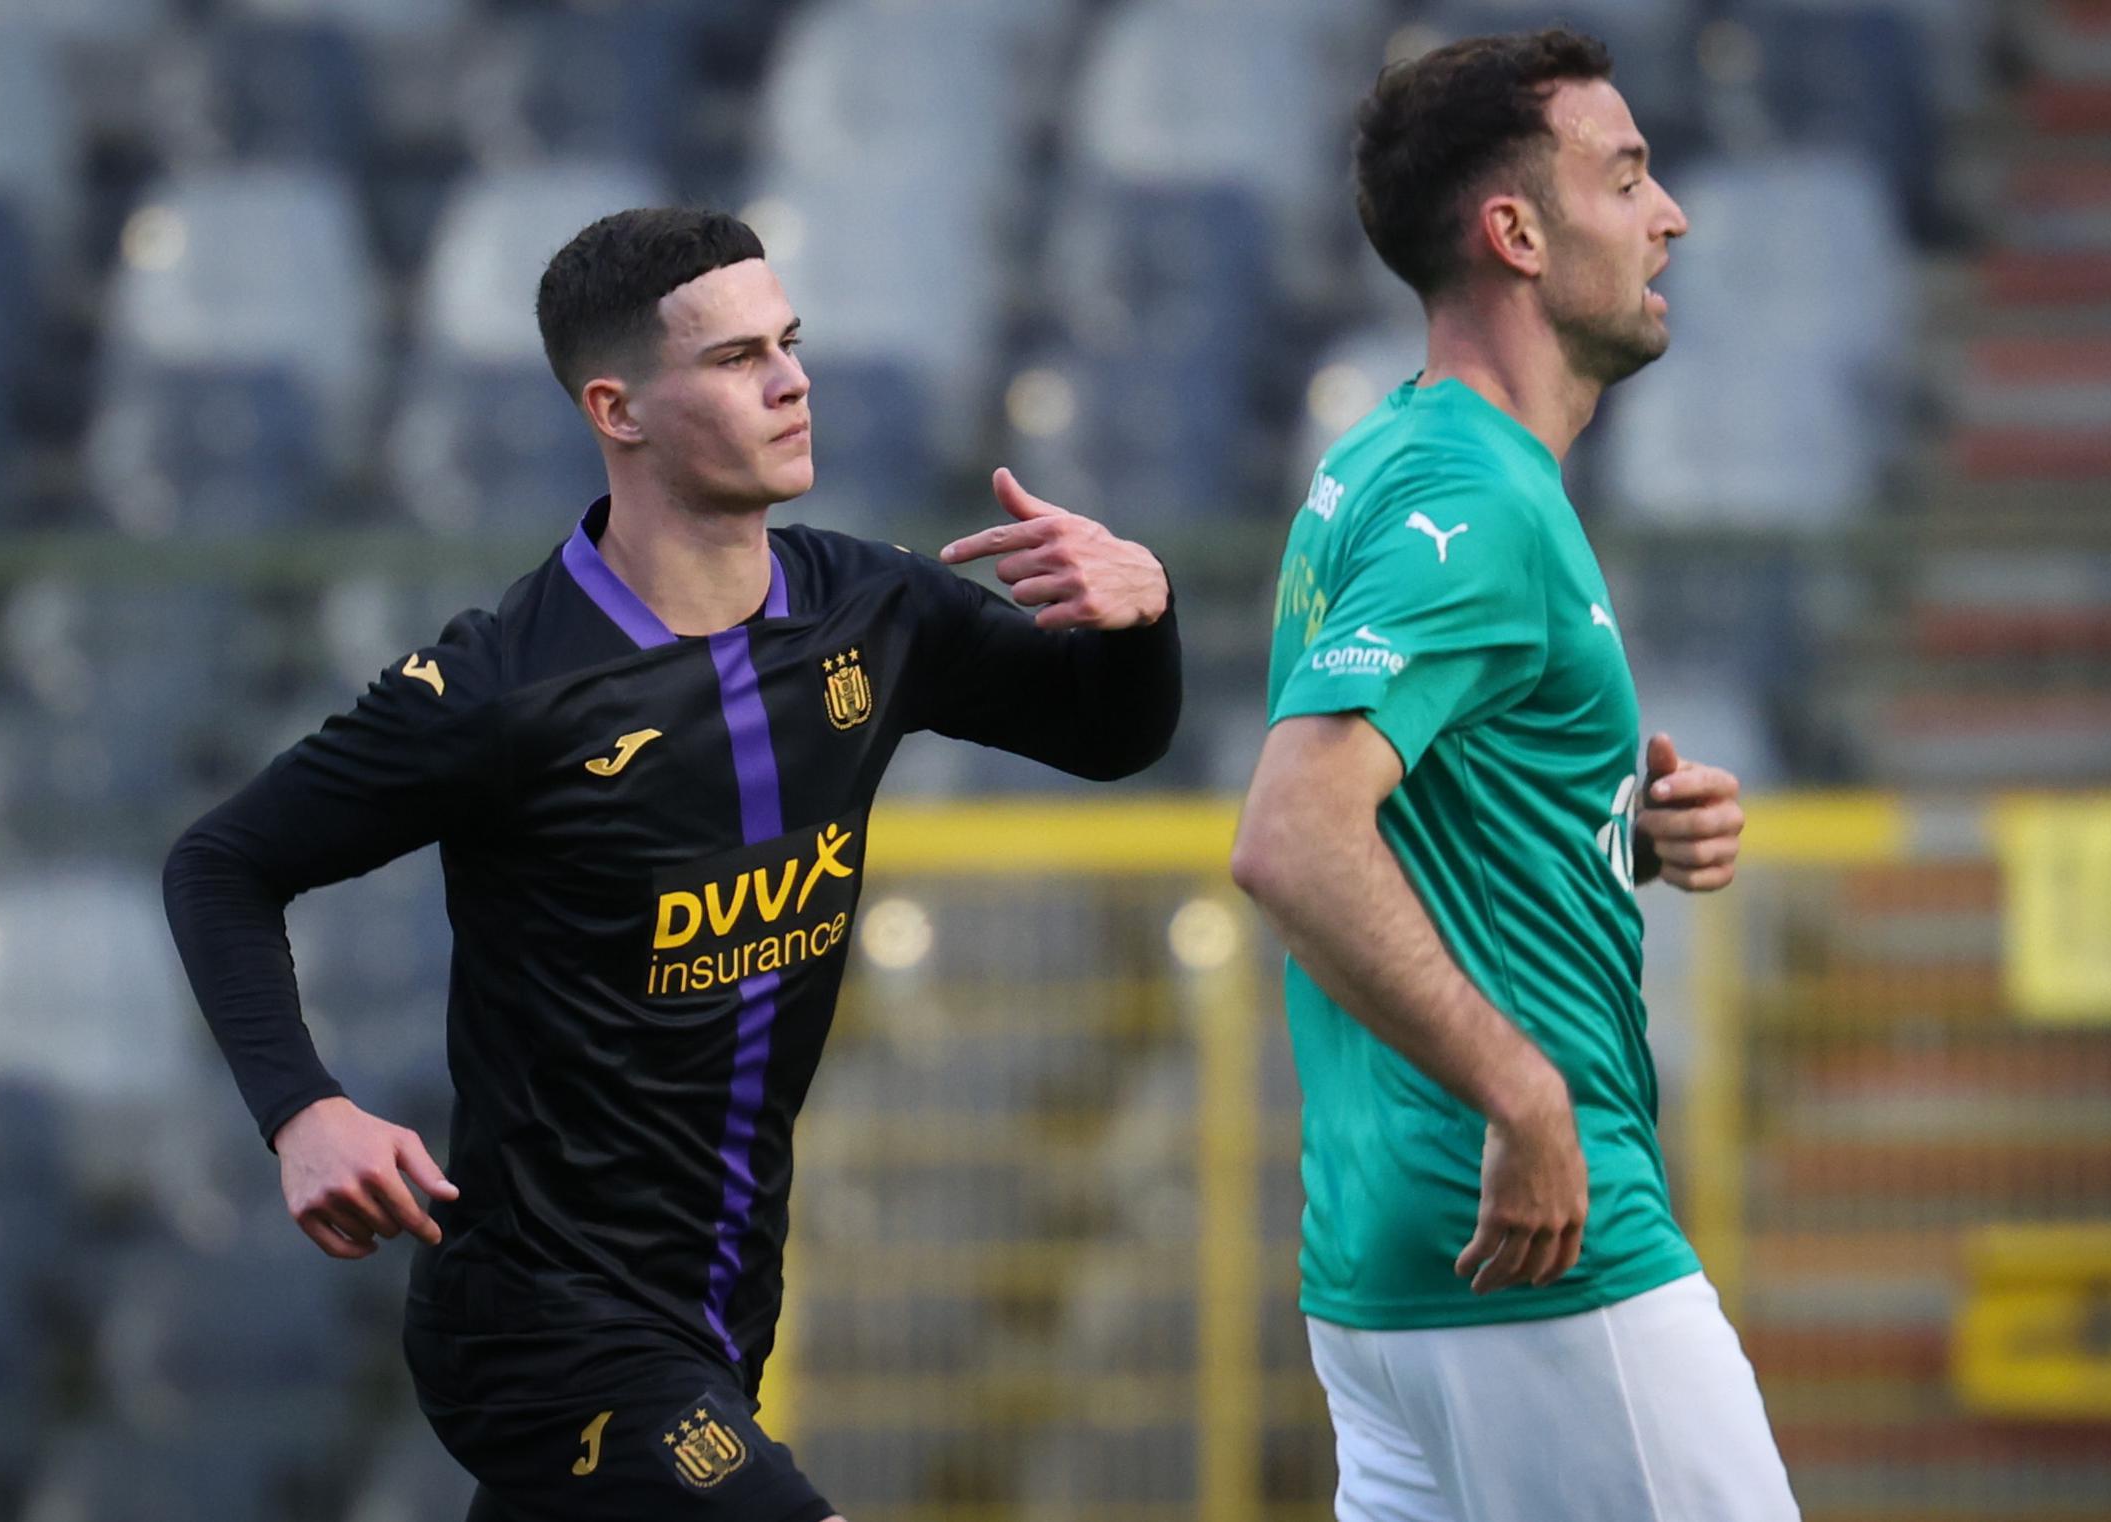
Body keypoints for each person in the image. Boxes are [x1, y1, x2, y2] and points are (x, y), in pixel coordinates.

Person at [163, 207, 1180, 1522]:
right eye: (736, 356)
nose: (791, 378)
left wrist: (1135, 618)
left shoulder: (871, 610)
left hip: (718, 1310)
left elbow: (1107, 737)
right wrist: (303, 1108)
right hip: (539, 1319)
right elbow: (221, 861)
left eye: (791, 343)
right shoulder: (501, 685)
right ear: (618, 408)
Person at [1229, 30, 1798, 1522]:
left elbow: (1421, 819)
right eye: (1624, 175)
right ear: (1517, 234)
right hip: (1536, 1242)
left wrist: (1617, 831)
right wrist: (1522, 1093)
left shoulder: (1389, 462)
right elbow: (1292, 832)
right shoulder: (1472, 494)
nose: (1665, 211)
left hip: (1381, 1260)